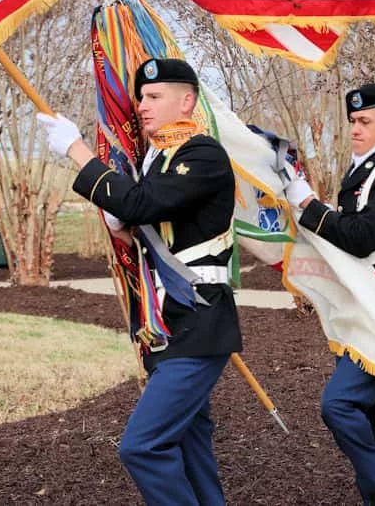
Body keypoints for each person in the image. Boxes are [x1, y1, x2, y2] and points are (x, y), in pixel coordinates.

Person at [36, 58, 241, 505]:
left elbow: (144, 205)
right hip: (164, 323)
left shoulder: (201, 154)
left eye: (154, 97)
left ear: (186, 101)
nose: (142, 106)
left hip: (198, 320)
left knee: (142, 447)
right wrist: (120, 219)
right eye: (140, 98)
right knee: (190, 445)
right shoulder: (159, 159)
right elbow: (142, 222)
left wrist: (77, 150)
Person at [282, 83, 375, 506]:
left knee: (339, 404)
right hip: (360, 307)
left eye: (365, 121)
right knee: (363, 407)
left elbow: (361, 238)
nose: (356, 128)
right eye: (353, 121)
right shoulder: (357, 174)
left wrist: (310, 205)